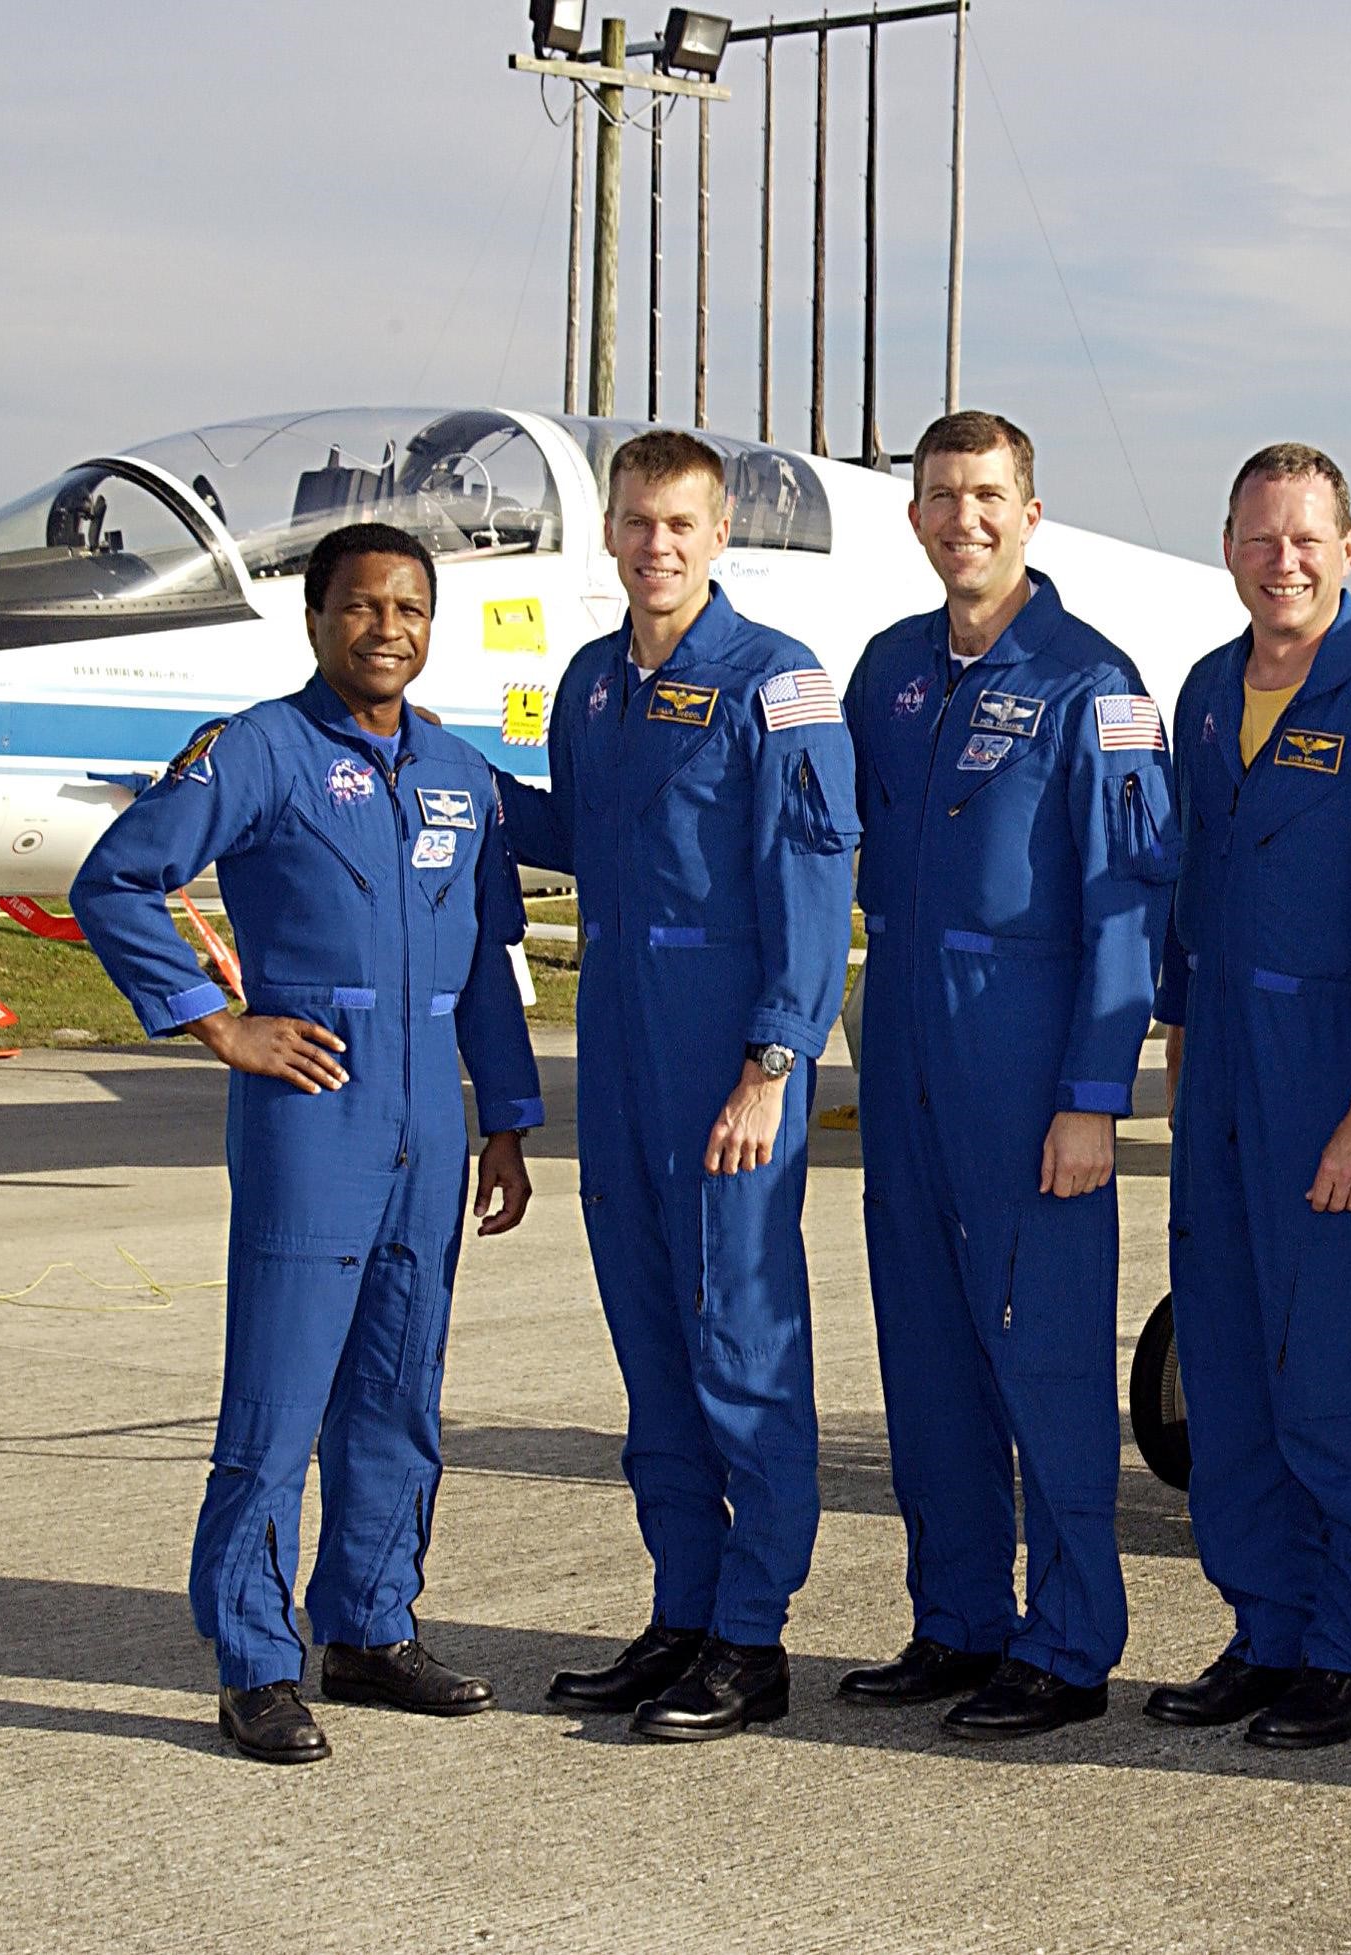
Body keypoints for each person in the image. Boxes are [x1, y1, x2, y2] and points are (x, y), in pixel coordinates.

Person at [71, 521, 542, 1766]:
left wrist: (507, 1120)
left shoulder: (460, 774)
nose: (389, 628)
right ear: (317, 617)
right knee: (278, 1403)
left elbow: (485, 961)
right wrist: (217, 1021)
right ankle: (256, 1660)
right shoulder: (260, 750)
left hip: (430, 1124)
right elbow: (116, 879)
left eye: (411, 608)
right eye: (363, 606)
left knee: (399, 1389)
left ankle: (374, 1629)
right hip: (312, 1113)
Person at [498, 430, 859, 1743]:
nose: (658, 545)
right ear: (609, 531)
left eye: (682, 525)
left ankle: (753, 1637)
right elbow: (571, 840)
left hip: (727, 1053)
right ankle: (682, 1608)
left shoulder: (780, 682)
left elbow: (816, 878)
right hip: (623, 1043)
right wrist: (428, 761)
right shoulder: (593, 685)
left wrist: (778, 1057)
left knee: (739, 1348)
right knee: (652, 1346)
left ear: (720, 541)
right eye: (638, 521)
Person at [837, 410, 1174, 1738]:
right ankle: (958, 1617)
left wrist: (1094, 1094)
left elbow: (1129, 906)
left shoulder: (1096, 684)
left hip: (1031, 1077)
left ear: (1031, 514)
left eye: (987, 495)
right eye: (939, 496)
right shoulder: (887, 675)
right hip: (909, 1061)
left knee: (1043, 1365)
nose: (961, 517)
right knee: (929, 1363)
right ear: (915, 516)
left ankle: (1071, 1638)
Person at [1146, 444, 1351, 1750]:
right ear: (1230, 546)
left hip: (1338, 1066)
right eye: (1257, 537)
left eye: (1305, 539)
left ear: (1347, 548)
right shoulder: (1207, 691)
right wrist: (1175, 1026)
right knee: (1225, 1361)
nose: (1281, 560)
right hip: (1222, 1060)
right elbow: (1185, 880)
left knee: (1332, 1369)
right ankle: (1265, 1625)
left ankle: (1350, 1648)